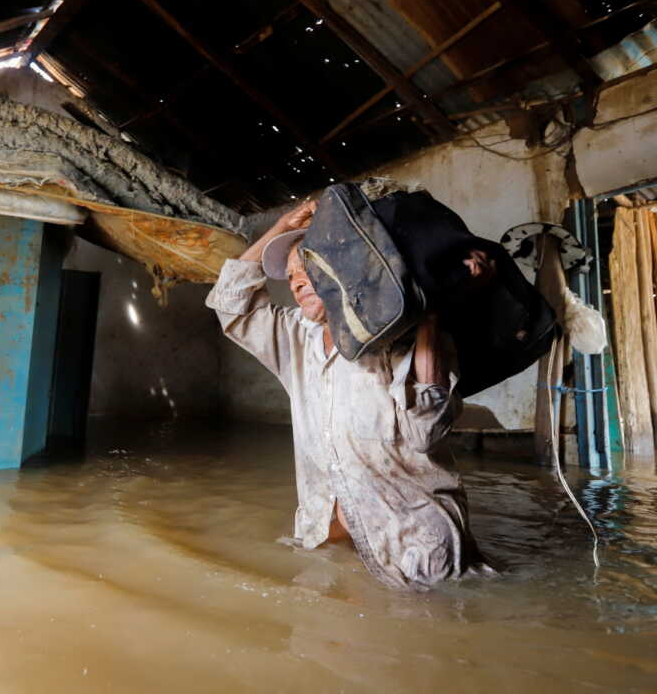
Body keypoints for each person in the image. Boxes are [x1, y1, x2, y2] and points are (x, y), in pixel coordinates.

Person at [205, 198, 490, 589]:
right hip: (326, 535)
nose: (296, 282)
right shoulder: (294, 336)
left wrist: (431, 316)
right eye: (290, 276)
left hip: (415, 549)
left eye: (307, 269)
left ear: (343, 272)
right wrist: (280, 225)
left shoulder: (402, 335)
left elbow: (426, 432)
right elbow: (230, 302)